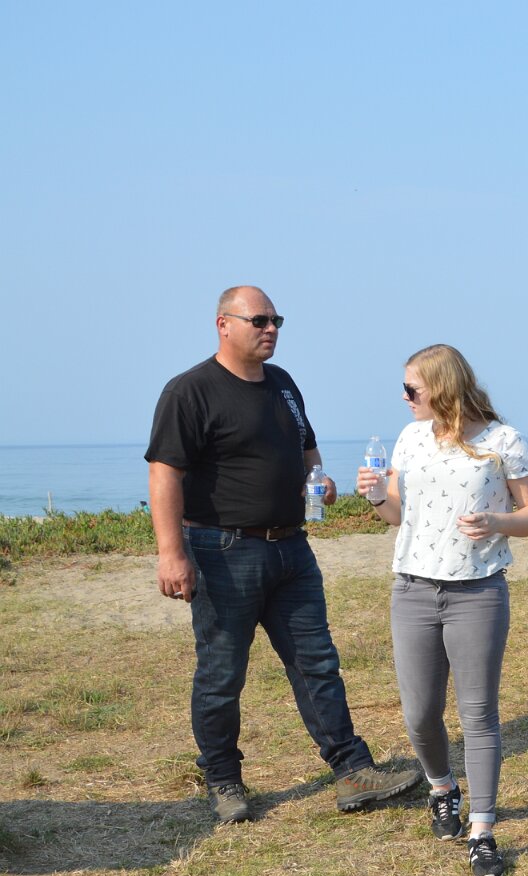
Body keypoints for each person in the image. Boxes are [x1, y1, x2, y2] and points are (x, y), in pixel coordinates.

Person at [146, 286, 421, 824]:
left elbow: (306, 449)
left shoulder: (283, 384)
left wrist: (320, 479)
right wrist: (170, 553)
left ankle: (352, 771)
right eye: (260, 320)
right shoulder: (190, 391)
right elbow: (164, 474)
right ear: (224, 324)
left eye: (276, 320)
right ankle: (223, 780)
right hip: (223, 551)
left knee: (317, 662)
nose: (271, 329)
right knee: (223, 673)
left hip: (291, 548)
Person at [358, 345, 528, 876]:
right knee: (419, 714)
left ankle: (482, 831)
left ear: (442, 387)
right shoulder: (410, 437)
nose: (404, 397)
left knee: (478, 715)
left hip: (478, 594)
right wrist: (375, 498)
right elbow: (399, 515)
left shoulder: (503, 441)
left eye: (412, 389)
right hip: (413, 590)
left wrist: (498, 522)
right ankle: (442, 788)